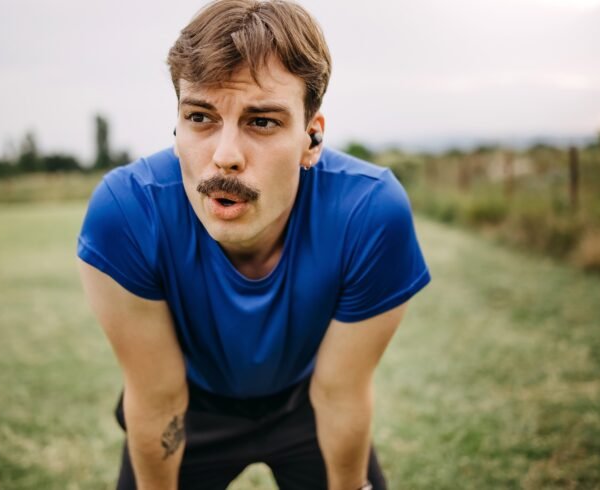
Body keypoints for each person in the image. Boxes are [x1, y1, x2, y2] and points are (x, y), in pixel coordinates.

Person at [77, 0, 430, 488]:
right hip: (190, 407)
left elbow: (340, 394)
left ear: (311, 138)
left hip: (307, 402)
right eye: (200, 117)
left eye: (261, 122)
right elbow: (158, 399)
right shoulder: (127, 213)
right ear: (177, 126)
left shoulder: (368, 213)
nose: (224, 157)